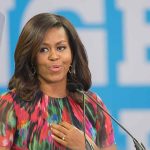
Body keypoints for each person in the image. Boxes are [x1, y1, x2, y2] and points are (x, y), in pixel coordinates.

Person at [0, 13, 116, 150]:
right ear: (31, 57)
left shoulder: (92, 104)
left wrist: (85, 146)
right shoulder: (10, 103)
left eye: (61, 48)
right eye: (43, 50)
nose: (54, 56)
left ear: (72, 53)